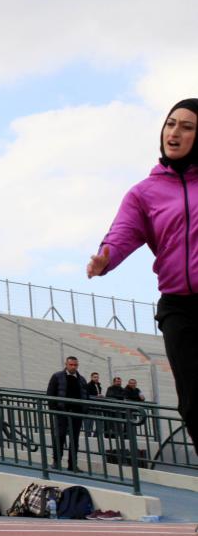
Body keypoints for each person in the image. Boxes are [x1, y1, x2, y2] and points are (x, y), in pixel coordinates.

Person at [89, 99, 198, 447]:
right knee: (193, 405)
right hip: (179, 309)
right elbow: (122, 234)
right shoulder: (144, 193)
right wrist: (106, 257)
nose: (175, 133)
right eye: (170, 124)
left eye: (187, 126)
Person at [46, 357, 87, 471]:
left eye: (75, 365)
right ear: (66, 364)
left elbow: (85, 395)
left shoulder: (82, 379)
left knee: (74, 440)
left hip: (76, 414)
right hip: (62, 412)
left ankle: (72, 464)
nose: (73, 367)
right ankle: (56, 461)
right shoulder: (57, 376)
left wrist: (84, 410)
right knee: (60, 437)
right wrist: (54, 408)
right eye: (71, 364)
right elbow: (50, 394)